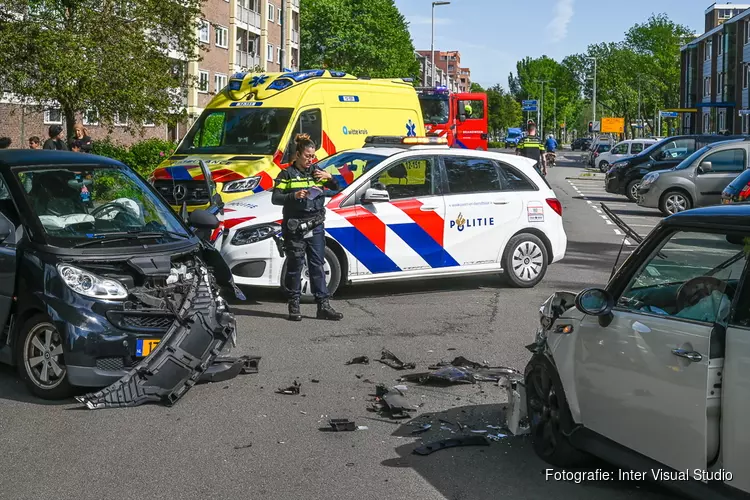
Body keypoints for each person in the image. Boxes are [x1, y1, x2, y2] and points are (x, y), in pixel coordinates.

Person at [272, 133, 344, 322]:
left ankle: (323, 306)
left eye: (312, 156)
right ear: (297, 154)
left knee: (317, 266)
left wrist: (330, 177)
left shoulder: (317, 172)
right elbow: (275, 198)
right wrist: (293, 196)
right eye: (307, 156)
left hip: (316, 224)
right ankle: (294, 305)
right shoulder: (286, 174)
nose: (310, 160)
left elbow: (338, 189)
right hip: (295, 226)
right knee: (295, 265)